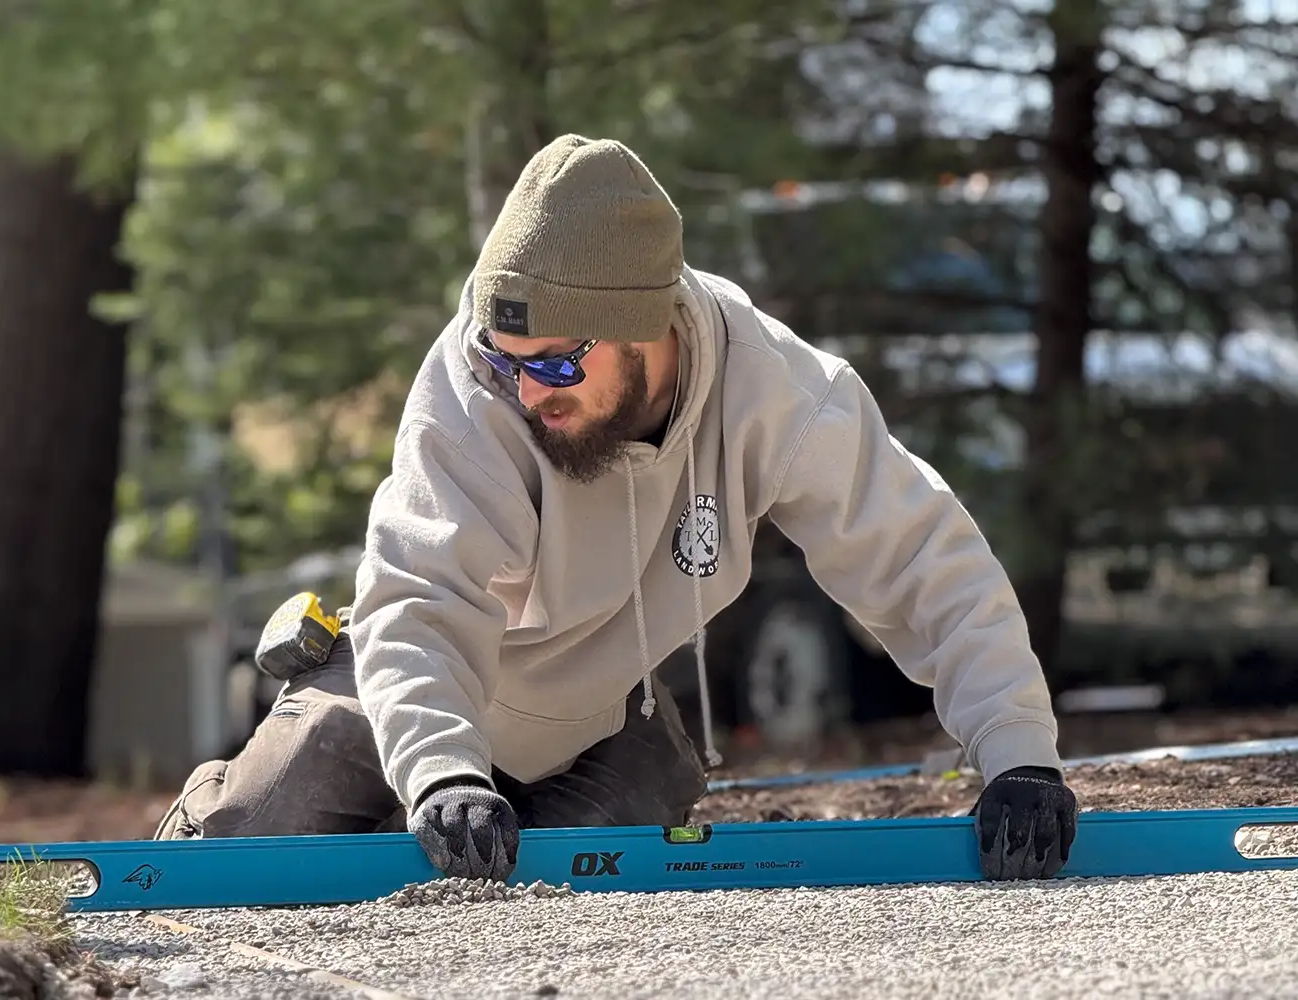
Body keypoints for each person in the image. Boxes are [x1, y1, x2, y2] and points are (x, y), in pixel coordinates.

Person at [155, 133, 1079, 884]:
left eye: (558, 363)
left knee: (576, 882)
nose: (529, 393)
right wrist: (441, 773)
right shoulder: (475, 390)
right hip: (410, 684)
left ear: (646, 326)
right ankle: (232, 811)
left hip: (601, 719)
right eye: (508, 359)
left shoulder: (780, 392)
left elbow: (921, 558)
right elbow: (423, 594)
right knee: (250, 846)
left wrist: (1021, 756)